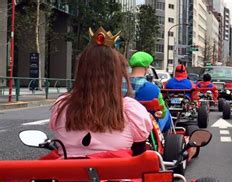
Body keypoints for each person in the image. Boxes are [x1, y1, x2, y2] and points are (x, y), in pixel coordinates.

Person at [50, 27, 153, 158]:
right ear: (117, 73)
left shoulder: (61, 106)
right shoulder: (130, 110)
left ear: (81, 71)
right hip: (116, 176)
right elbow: (139, 156)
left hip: (68, 176)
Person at [127, 51, 172, 133]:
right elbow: (162, 113)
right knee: (167, 113)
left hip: (121, 124)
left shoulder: (117, 86)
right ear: (146, 69)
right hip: (147, 130)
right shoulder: (153, 89)